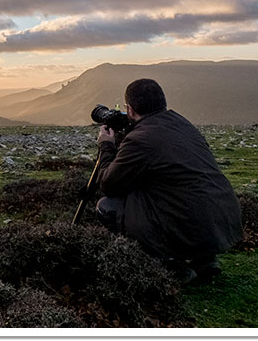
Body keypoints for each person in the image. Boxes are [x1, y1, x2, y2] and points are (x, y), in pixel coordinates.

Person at [95, 78, 243, 283]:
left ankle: (170, 266)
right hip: (223, 220)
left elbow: (109, 184)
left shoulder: (140, 139)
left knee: (107, 206)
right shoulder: (182, 123)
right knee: (166, 191)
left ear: (129, 110)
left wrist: (106, 145)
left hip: (188, 222)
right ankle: (205, 260)